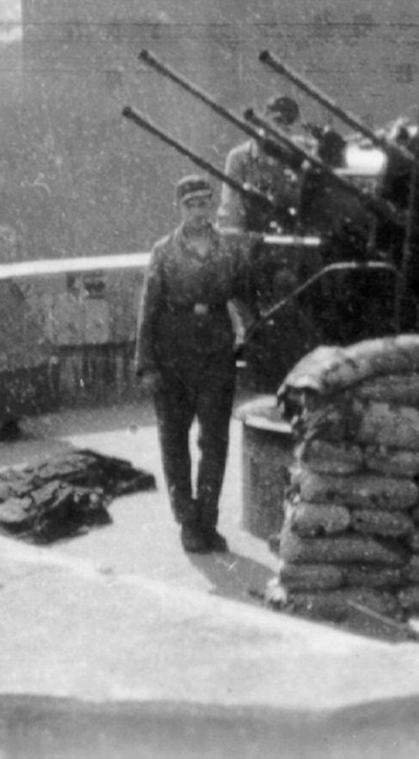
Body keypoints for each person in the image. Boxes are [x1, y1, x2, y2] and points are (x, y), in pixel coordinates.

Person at [135, 174, 263, 553]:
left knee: (215, 440)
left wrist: (253, 332)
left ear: (211, 206)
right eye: (190, 205)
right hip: (172, 350)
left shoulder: (228, 249)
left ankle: (207, 519)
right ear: (180, 208)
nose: (198, 211)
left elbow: (243, 295)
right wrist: (146, 364)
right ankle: (187, 520)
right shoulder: (164, 252)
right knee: (174, 441)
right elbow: (148, 308)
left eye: (204, 204)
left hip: (216, 352)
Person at [219, 95, 311, 234]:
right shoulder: (240, 157)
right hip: (255, 240)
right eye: (278, 120)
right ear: (264, 120)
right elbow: (231, 210)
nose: (284, 127)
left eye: (289, 121)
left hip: (296, 240)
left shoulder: (304, 158)